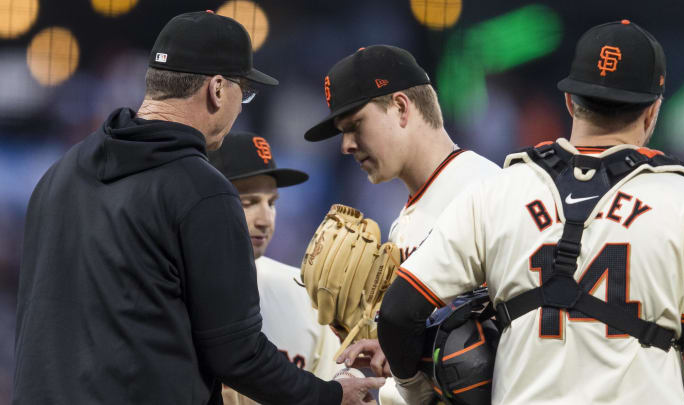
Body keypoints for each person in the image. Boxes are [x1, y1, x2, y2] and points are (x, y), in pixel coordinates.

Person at [13, 11, 382, 405]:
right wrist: (328, 395)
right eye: (245, 91)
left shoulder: (59, 174)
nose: (242, 107)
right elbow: (237, 356)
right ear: (218, 89)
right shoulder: (201, 190)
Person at [376, 20, 684, 405]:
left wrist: (413, 390)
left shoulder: (497, 192)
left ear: (571, 102)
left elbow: (398, 313)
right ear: (653, 111)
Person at [304, 44, 501, 404]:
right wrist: (392, 349)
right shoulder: (404, 221)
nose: (346, 145)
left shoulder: (489, 191)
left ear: (400, 107)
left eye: (355, 126)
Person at [208, 132, 343, 404]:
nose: (265, 220)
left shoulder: (307, 296)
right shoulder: (172, 295)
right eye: (248, 203)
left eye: (272, 203)